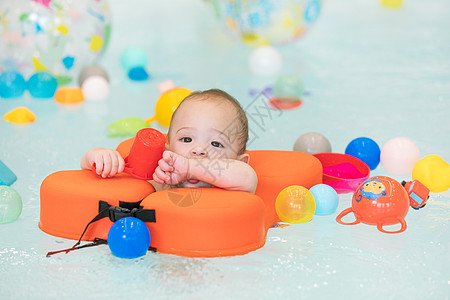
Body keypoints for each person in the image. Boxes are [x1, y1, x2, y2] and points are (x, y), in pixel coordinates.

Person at [80, 89, 258, 193]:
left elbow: (248, 177)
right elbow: (90, 169)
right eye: (186, 139)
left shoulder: (239, 181)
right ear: (167, 149)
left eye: (216, 144)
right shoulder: (160, 180)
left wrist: (189, 168)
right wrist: (99, 158)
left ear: (239, 160)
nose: (199, 150)